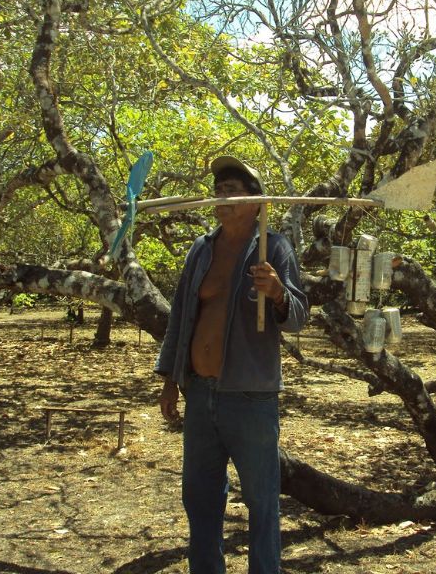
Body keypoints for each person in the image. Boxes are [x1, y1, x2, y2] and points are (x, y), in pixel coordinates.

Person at [154, 156, 308, 574]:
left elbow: (298, 317)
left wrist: (277, 292)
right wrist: (171, 378)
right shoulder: (201, 250)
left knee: (261, 500)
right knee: (200, 497)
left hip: (250, 397)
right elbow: (181, 315)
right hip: (200, 393)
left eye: (232, 190)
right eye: (218, 190)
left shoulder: (273, 248)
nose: (221, 197)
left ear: (256, 201)